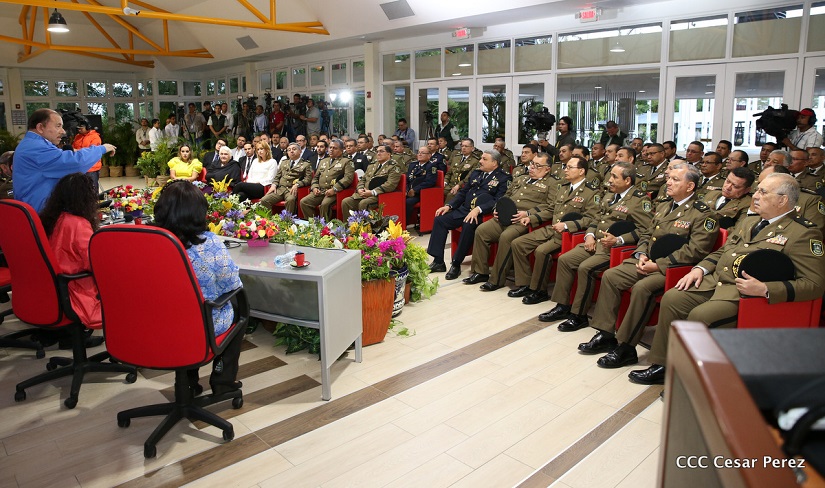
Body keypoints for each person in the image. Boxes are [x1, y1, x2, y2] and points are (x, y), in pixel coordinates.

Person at [630, 173, 825, 385]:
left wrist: (765, 289)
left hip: (744, 295)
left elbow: (814, 284)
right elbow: (724, 251)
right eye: (757, 190)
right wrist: (700, 268)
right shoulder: (750, 221)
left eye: (763, 192)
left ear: (782, 200)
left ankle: (690, 381)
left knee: (700, 315)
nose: (755, 196)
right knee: (673, 298)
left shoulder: (803, 233)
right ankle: (662, 365)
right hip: (716, 281)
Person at [575, 163, 717, 368]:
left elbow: (696, 251)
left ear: (690, 186)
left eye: (675, 180)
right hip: (647, 260)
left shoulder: (703, 214)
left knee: (642, 288)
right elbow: (647, 234)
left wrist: (658, 265)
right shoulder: (665, 205)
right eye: (669, 178)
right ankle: (606, 334)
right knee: (612, 276)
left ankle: (626, 347)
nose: (668, 182)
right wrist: (641, 253)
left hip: (675, 268)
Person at [153, 179, 245, 396]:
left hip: (157, 320)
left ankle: (188, 383)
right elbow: (232, 282)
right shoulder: (209, 244)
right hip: (201, 324)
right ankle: (223, 381)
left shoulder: (152, 242)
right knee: (240, 307)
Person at [540, 161, 653, 324]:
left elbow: (645, 230)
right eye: (610, 176)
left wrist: (619, 239)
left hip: (613, 249)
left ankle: (579, 315)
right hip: (595, 241)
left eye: (614, 177)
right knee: (565, 260)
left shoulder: (638, 201)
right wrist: (590, 235)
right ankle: (562, 306)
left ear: (627, 180)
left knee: (585, 268)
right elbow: (597, 218)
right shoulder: (609, 195)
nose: (609, 180)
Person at [508, 156, 601, 304]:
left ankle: (539, 291)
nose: (565, 170)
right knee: (518, 243)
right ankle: (525, 283)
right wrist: (532, 218)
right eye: (566, 167)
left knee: (542, 251)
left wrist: (567, 225)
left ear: (581, 171)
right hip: (552, 228)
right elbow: (551, 209)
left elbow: (591, 219)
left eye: (570, 167)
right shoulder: (563, 187)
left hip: (568, 234)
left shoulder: (591, 192)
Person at [469, 153, 558, 290]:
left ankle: (496, 279)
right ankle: (480, 272)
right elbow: (506, 196)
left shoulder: (552, 183)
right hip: (504, 217)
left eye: (537, 166)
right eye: (532, 164)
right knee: (481, 231)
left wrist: (528, 214)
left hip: (524, 221)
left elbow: (550, 207)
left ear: (547, 169)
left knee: (506, 237)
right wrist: (497, 208)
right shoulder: (521, 178)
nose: (532, 167)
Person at [427, 149, 511, 280]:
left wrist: (479, 209)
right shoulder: (476, 173)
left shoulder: (503, 177)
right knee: (440, 219)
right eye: (481, 158)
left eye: (484, 159)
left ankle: (456, 263)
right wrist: (449, 206)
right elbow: (463, 192)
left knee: (468, 224)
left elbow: (498, 200)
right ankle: (438, 261)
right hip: (465, 210)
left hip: (483, 214)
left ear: (494, 163)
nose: (480, 161)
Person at [13, 109, 115, 212]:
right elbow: (76, 163)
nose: (63, 131)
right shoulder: (36, 148)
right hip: (42, 214)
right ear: (40, 127)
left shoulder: (31, 144)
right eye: (58, 126)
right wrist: (102, 149)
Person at [39, 173, 104, 329]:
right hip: (76, 292)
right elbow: (94, 264)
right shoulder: (79, 224)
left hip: (52, 289)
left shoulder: (51, 218)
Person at [300, 138, 355, 220]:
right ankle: (313, 223)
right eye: (330, 148)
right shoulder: (324, 161)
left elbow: (348, 178)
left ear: (341, 150)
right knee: (304, 202)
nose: (331, 150)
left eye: (335, 148)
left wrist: (334, 189)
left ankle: (325, 225)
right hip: (320, 191)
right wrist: (314, 187)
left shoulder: (346, 161)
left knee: (325, 204)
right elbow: (316, 177)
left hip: (335, 192)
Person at [341, 143, 402, 215]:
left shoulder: (393, 167)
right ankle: (350, 222)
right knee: (346, 202)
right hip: (364, 193)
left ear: (389, 154)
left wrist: (372, 192)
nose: (378, 153)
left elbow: (391, 184)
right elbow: (363, 179)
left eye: (381, 151)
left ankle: (364, 223)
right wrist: (360, 189)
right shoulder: (372, 165)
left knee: (364, 203)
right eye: (377, 151)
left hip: (379, 195)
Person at [259, 143, 312, 215]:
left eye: (294, 149)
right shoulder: (284, 162)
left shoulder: (306, 164)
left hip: (291, 190)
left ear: (300, 151)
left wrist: (298, 184)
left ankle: (288, 220)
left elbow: (308, 179)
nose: (291, 151)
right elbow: (277, 176)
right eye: (289, 150)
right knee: (264, 200)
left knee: (290, 200)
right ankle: (268, 219)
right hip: (280, 189)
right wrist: (274, 185)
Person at [405, 146, 438, 224]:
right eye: (419, 152)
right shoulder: (413, 165)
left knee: (408, 202)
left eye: (422, 153)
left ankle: (405, 223)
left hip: (422, 193)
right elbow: (407, 179)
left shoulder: (431, 166)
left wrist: (415, 190)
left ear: (429, 156)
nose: (419, 154)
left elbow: (430, 182)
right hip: (409, 191)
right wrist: (406, 190)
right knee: (397, 199)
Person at [72, 121, 102, 191]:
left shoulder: (95, 137)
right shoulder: (77, 137)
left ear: (88, 128)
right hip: (79, 167)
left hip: (91, 168)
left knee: (92, 189)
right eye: (78, 129)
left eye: (81, 128)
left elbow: (93, 152)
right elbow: (73, 148)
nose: (79, 130)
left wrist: (77, 150)